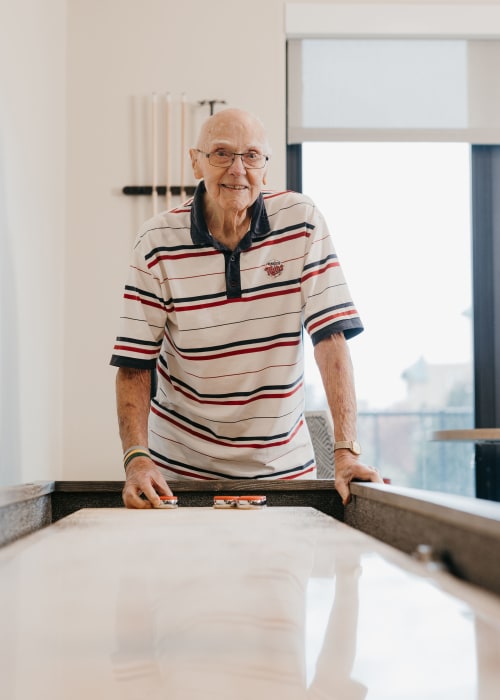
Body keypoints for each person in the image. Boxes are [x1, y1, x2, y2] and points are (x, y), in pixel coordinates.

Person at [110, 107, 382, 508]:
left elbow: (330, 337)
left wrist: (347, 452)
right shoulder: (156, 241)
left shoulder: (302, 222)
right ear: (195, 161)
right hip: (180, 475)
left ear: (265, 167)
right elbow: (135, 362)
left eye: (251, 156)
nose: (238, 169)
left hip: (284, 470)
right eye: (221, 153)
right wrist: (137, 460)